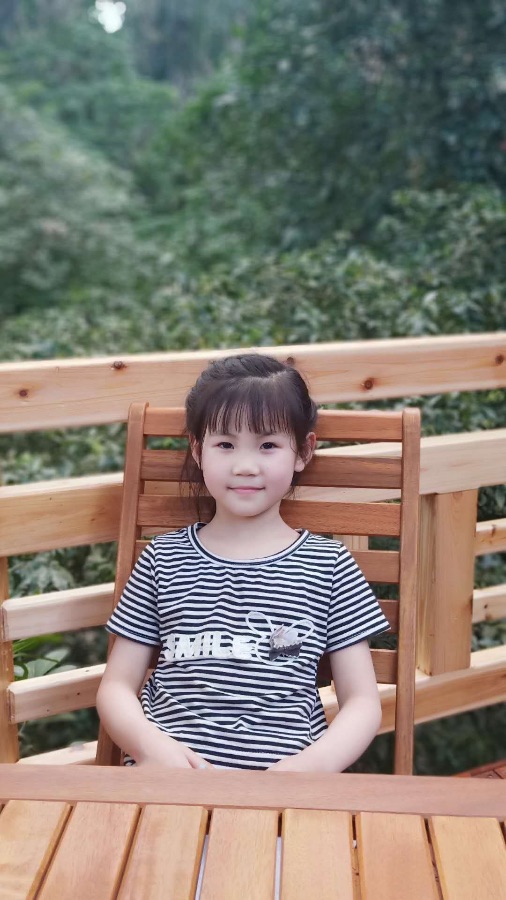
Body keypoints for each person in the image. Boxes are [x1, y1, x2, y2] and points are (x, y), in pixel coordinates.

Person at [96, 353, 389, 772]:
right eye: (225, 445)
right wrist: (150, 749)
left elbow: (362, 702)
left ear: (304, 451)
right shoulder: (163, 559)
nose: (245, 466)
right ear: (198, 450)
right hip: (167, 783)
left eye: (268, 445)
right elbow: (116, 687)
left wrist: (306, 771)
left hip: (283, 790)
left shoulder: (329, 566)